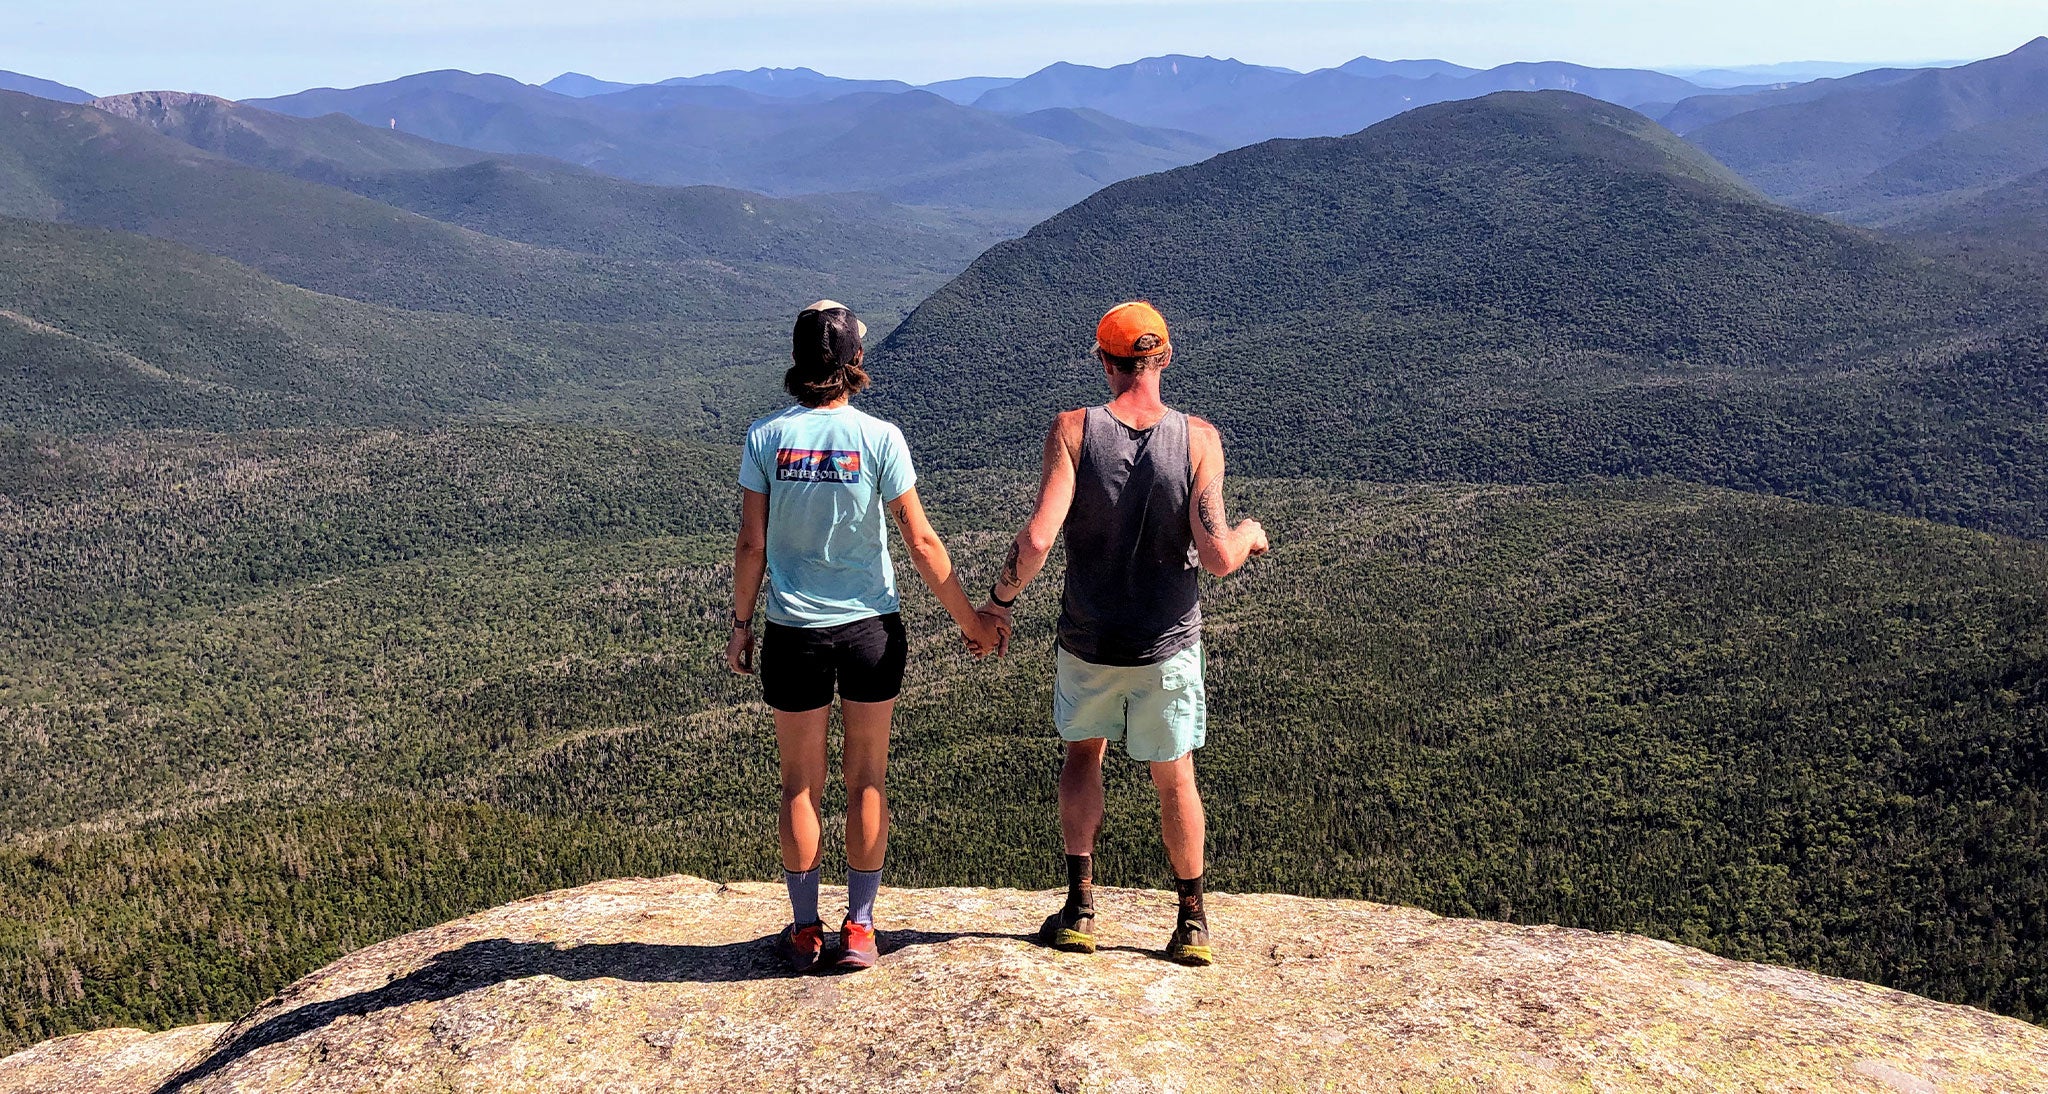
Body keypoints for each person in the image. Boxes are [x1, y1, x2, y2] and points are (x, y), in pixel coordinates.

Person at [979, 300, 1269, 967]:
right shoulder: (1199, 439)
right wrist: (1252, 535)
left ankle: (1080, 908)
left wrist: (996, 604)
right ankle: (1191, 919)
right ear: (1164, 357)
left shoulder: (1073, 431)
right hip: (1168, 643)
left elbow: (1037, 539)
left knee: (1084, 759)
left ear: (1106, 362)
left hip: (1089, 641)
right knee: (1175, 778)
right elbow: (1219, 557)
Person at [729, 300, 999, 974]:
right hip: (872, 630)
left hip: (794, 631)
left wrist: (739, 625)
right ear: (855, 362)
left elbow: (750, 546)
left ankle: (802, 930)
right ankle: (860, 928)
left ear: (799, 361)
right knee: (867, 781)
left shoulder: (765, 438)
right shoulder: (881, 439)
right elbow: (922, 540)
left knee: (800, 787)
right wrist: (973, 622)